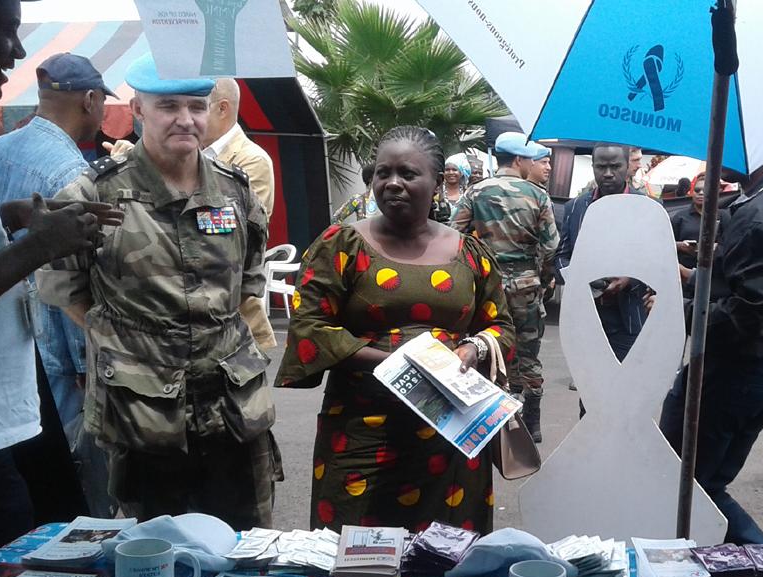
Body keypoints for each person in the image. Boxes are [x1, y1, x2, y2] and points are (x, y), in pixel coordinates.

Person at [38, 53, 278, 531]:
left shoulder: (236, 191)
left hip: (234, 408)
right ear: (137, 110)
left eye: (196, 105)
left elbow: (247, 283)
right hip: (143, 413)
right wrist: (130, 342)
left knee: (245, 545)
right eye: (168, 106)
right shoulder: (93, 195)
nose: (186, 119)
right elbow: (65, 290)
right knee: (154, 547)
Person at [0, 0, 117, 575]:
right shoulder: (68, 170)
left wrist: (12, 215)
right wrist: (40, 246)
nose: (19, 52)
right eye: (6, 32)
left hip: (2, 407)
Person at [275, 125, 514, 532]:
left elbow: (501, 327)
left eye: (407, 173)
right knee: (355, 549)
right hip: (362, 434)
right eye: (382, 173)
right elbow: (310, 326)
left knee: (446, 553)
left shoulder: (471, 253)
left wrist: (474, 348)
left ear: (437, 182)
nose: (392, 183)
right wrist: (394, 362)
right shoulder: (341, 246)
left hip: (452, 436)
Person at [660, 154, 763, 544]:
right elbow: (757, 283)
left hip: (735, 371)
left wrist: (680, 311)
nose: (718, 158)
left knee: (688, 484)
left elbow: (748, 312)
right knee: (703, 481)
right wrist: (693, 278)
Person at [0, 52, 118, 521]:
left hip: (1, 336)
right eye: (103, 103)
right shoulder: (71, 173)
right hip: (56, 346)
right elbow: (67, 279)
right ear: (90, 99)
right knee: (75, 479)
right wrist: (85, 362)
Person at [451, 131, 558, 442]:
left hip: (487, 286)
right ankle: (532, 422)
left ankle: (491, 420)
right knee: (528, 353)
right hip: (526, 285)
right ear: (520, 159)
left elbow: (454, 235)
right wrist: (543, 277)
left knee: (487, 347)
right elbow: (551, 245)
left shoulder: (475, 192)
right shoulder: (537, 195)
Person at [202, 77, 277, 351]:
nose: (187, 118)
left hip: (236, 324)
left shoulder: (251, 160)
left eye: (198, 106)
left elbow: (234, 234)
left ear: (222, 108)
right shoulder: (193, 155)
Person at [557, 143, 649, 363]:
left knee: (629, 380)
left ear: (627, 166)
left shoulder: (647, 208)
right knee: (588, 381)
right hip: (586, 318)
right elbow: (561, 257)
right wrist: (578, 278)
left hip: (630, 317)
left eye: (615, 166)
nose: (608, 173)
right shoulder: (575, 207)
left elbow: (658, 263)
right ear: (593, 167)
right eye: (601, 167)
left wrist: (629, 279)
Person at [671, 170, 731, 274]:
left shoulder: (723, 216)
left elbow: (732, 244)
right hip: (684, 271)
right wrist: (681, 246)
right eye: (697, 190)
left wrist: (716, 247)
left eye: (705, 190)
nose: (701, 193)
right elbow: (666, 244)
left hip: (715, 273)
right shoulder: (680, 217)